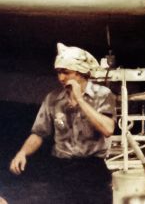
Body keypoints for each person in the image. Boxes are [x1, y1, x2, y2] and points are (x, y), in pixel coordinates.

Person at [9, 43, 116, 204]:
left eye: (66, 72)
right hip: (61, 169)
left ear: (81, 73)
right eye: (58, 72)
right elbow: (39, 133)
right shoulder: (53, 99)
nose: (61, 78)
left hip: (92, 169)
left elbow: (107, 129)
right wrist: (23, 153)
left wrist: (80, 100)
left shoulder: (102, 95)